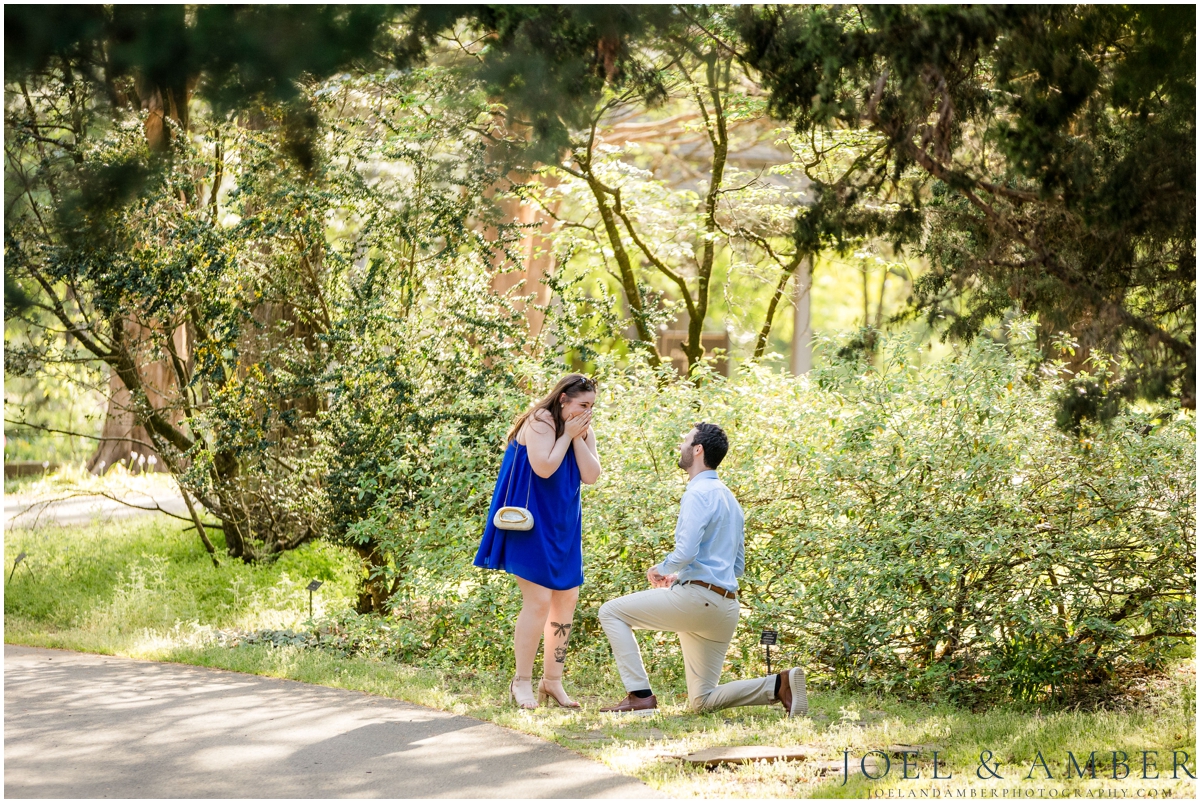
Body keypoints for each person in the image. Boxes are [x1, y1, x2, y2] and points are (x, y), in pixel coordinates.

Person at [597, 422, 807, 717]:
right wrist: (680, 575)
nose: (680, 446)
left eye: (685, 440)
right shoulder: (730, 499)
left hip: (697, 600)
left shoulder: (697, 493)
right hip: (725, 607)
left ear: (698, 450)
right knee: (703, 701)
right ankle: (777, 686)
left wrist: (662, 568)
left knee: (611, 611)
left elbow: (685, 552)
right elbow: (737, 565)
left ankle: (640, 696)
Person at [474, 374, 601, 709]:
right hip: (531, 525)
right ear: (563, 399)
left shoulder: (581, 428)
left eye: (592, 406)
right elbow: (544, 468)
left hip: (563, 524)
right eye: (583, 405)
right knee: (539, 601)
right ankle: (522, 681)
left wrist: (577, 438)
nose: (588, 411)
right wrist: (568, 436)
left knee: (567, 599)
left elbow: (591, 475)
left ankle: (553, 681)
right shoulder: (541, 421)